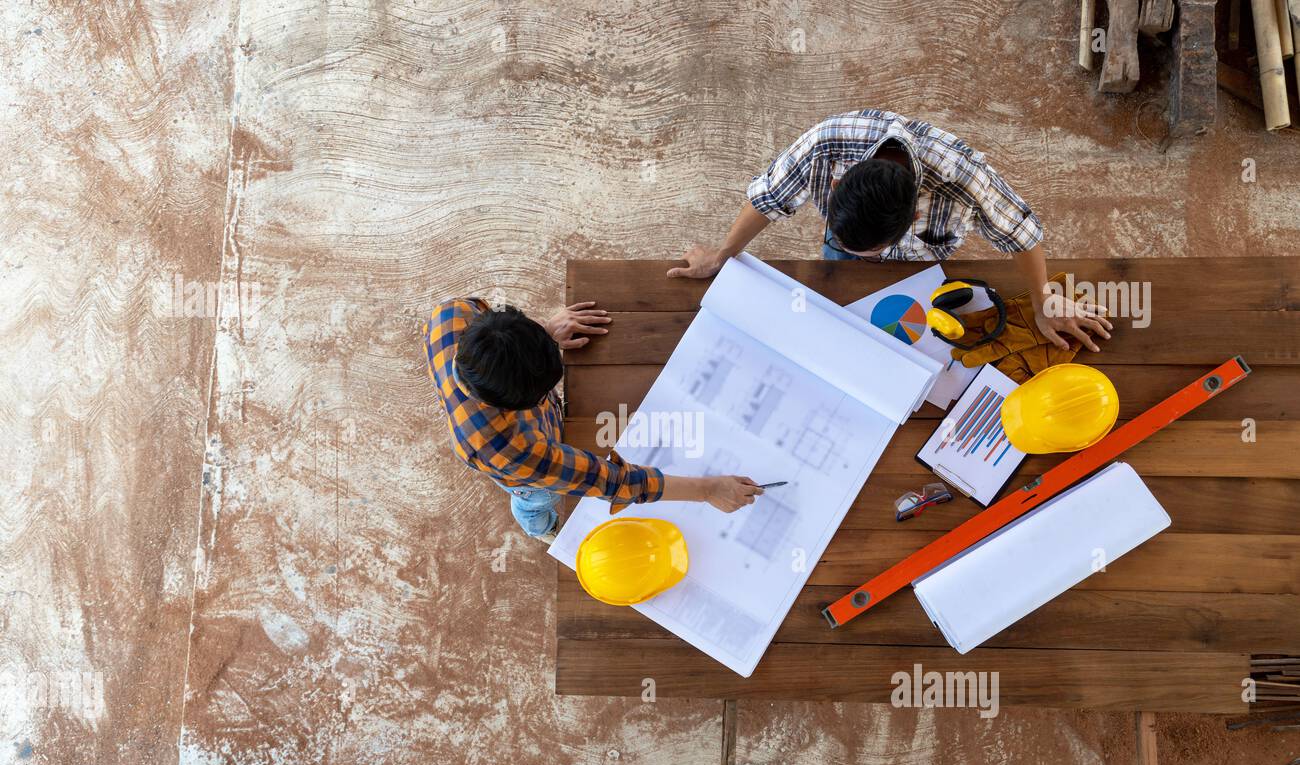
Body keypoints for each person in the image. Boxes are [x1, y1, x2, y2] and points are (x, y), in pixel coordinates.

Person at [669, 108, 1112, 352]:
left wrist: (1043, 300)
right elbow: (768, 197)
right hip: (844, 260)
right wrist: (723, 252)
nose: (872, 262)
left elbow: (1022, 231)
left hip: (926, 263)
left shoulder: (964, 179)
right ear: (840, 183)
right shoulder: (826, 144)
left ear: (908, 222)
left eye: (873, 250)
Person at [424, 298, 761, 542]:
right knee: (537, 500)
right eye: (542, 396)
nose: (549, 397)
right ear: (515, 407)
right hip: (527, 480)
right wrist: (708, 490)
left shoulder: (452, 314)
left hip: (531, 423)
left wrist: (541, 334)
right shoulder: (508, 451)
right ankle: (539, 527)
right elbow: (616, 482)